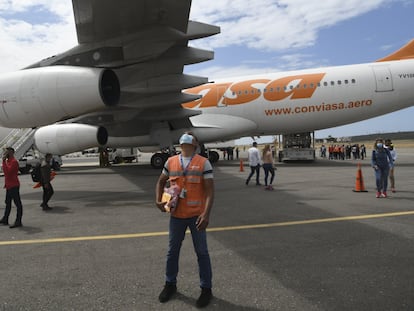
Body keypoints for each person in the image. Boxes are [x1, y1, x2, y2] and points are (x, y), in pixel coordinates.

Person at [155, 132, 214, 308]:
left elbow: (210, 191)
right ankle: (170, 284)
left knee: (202, 253)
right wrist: (158, 200)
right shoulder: (171, 161)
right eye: (183, 141)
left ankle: (206, 289)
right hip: (177, 216)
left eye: (189, 140)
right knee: (172, 252)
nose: (185, 143)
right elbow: (160, 182)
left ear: (195, 145)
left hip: (196, 216)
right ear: (180, 145)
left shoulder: (203, 162)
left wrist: (206, 214)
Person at [0, 147, 24, 228]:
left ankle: (18, 221)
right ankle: (5, 218)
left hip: (13, 185)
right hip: (9, 185)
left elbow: (7, 173)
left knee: (18, 204)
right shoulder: (9, 161)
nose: (5, 154)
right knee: (8, 203)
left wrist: (3, 161)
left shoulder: (13, 162)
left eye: (7, 152)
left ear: (11, 152)